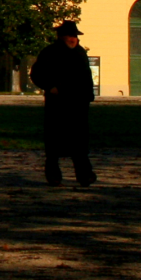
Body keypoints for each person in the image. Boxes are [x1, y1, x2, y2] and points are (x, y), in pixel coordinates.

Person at [30, 21, 96, 187]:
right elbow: (36, 73)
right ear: (61, 37)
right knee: (54, 141)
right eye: (70, 35)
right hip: (57, 105)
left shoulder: (80, 53)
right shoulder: (50, 52)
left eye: (74, 36)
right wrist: (50, 86)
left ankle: (84, 174)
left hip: (78, 104)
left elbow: (86, 76)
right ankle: (53, 174)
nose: (73, 39)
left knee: (80, 142)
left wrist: (89, 95)